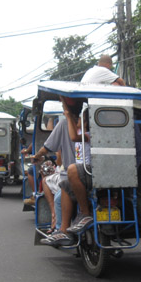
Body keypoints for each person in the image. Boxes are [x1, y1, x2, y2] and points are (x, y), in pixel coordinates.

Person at [33, 98, 82, 246]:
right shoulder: (88, 127)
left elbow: (47, 147)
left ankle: (61, 229)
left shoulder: (64, 124)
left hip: (71, 175)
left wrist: (37, 156)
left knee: (58, 196)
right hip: (88, 174)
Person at [62, 106, 94, 234]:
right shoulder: (81, 133)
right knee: (64, 185)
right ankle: (63, 230)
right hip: (83, 172)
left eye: (80, 118)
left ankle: (85, 212)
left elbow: (73, 137)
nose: (77, 120)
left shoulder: (89, 135)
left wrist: (68, 117)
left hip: (88, 171)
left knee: (72, 169)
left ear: (86, 122)